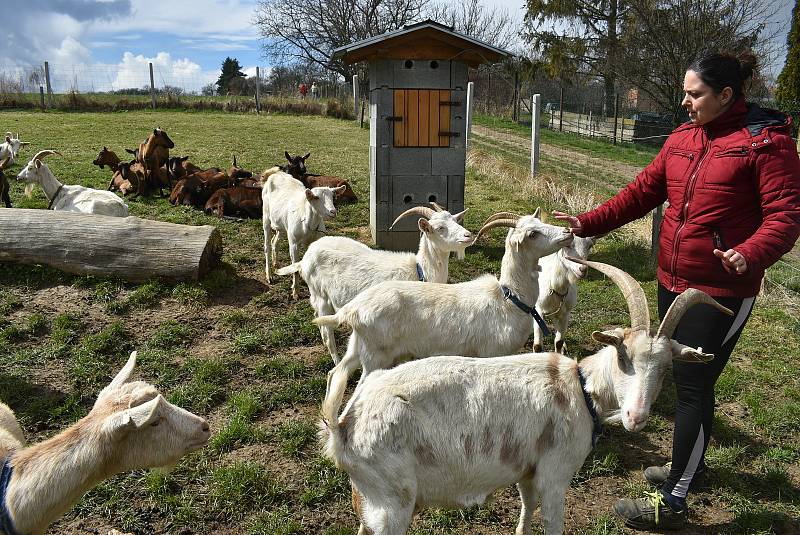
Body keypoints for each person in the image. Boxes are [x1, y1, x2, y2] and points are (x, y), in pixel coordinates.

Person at [554, 51, 800, 530]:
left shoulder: (766, 144)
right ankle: (692, 466)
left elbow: (786, 216)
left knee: (693, 387)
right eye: (685, 92)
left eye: (695, 94)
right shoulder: (684, 136)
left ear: (725, 95)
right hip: (671, 281)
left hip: (720, 293)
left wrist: (749, 252)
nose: (685, 102)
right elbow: (643, 190)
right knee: (684, 384)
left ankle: (673, 501)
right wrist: (588, 222)